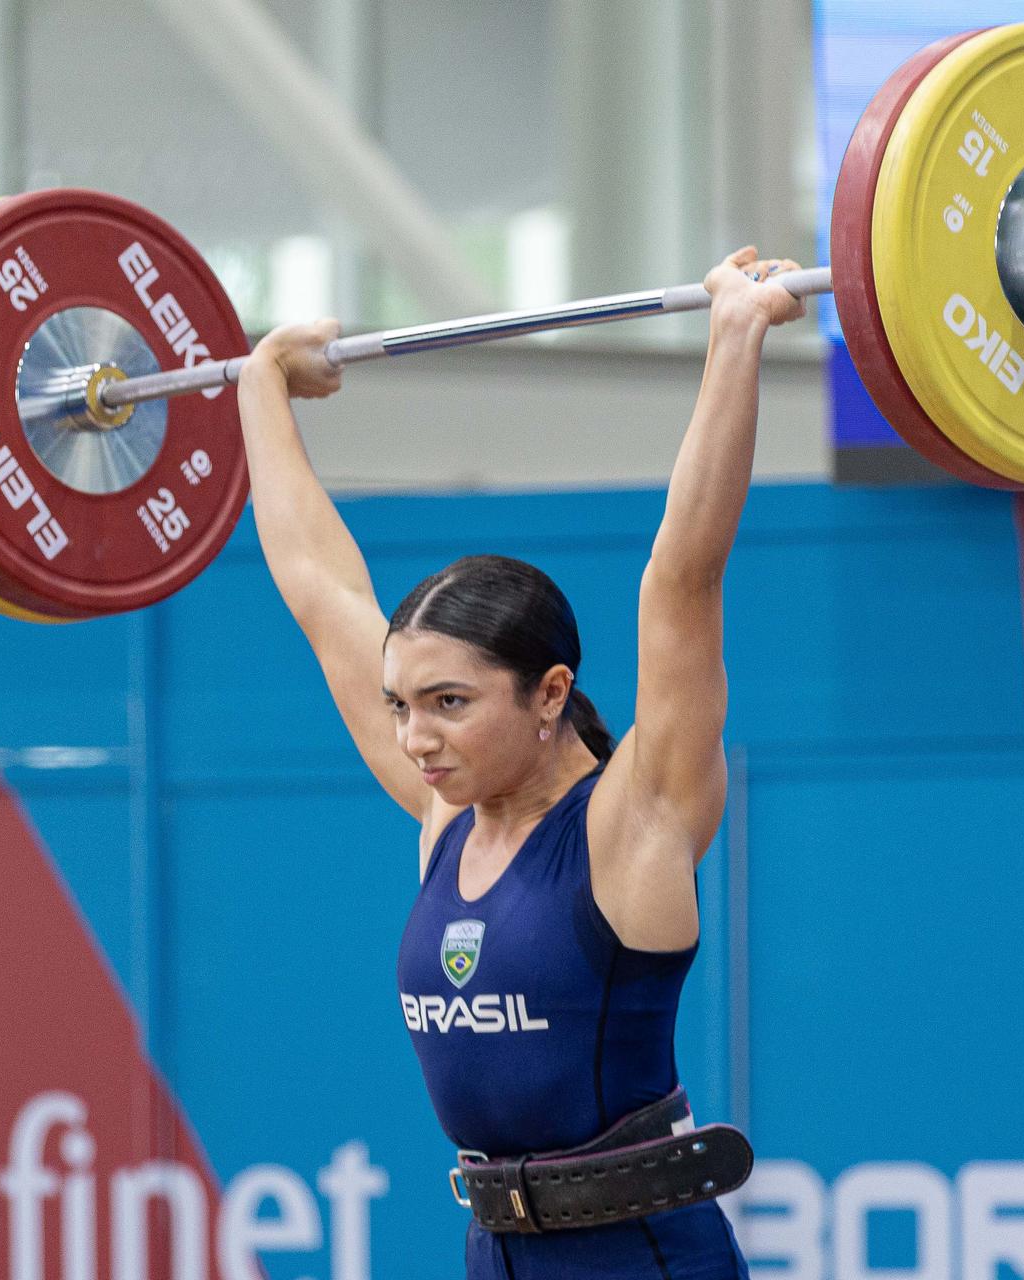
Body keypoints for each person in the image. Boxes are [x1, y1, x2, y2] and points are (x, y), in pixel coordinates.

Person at [235, 248, 806, 1279]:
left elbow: (683, 573)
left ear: (547, 692)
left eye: (449, 704)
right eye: (402, 705)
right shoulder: (443, 815)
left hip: (640, 1255)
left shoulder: (634, 817)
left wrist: (734, 336)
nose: (416, 737)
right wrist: (260, 385)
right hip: (495, 1251)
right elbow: (319, 585)